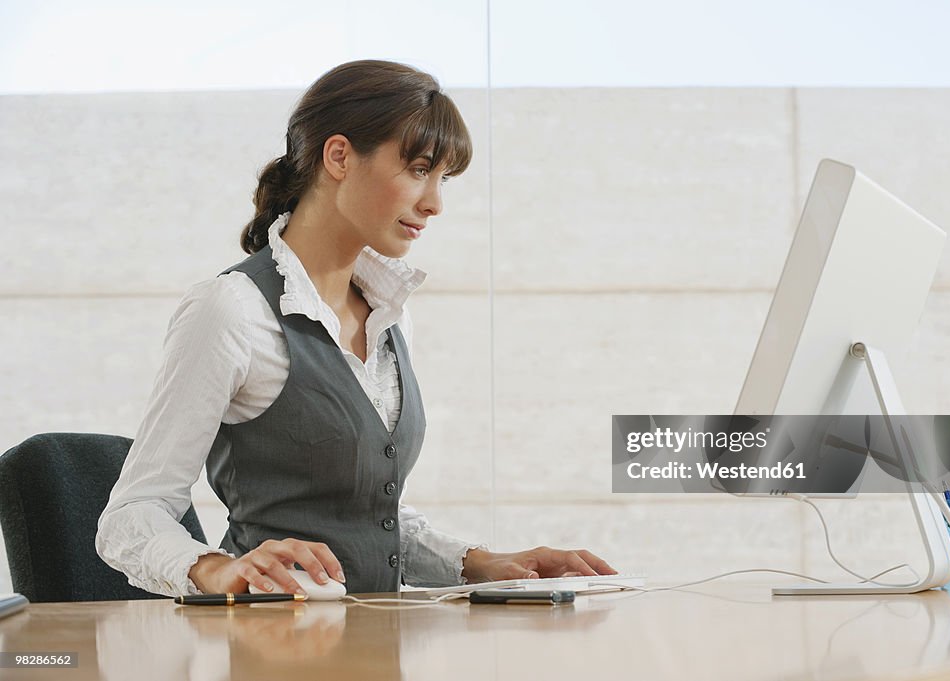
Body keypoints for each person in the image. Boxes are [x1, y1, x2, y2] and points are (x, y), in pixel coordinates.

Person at [96, 59, 616, 597]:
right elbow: (133, 511)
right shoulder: (231, 310)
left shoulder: (390, 315)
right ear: (339, 156)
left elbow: (373, 523)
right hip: (275, 648)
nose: (435, 203)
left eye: (443, 180)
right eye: (418, 170)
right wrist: (216, 569)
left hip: (377, 646)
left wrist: (484, 563)